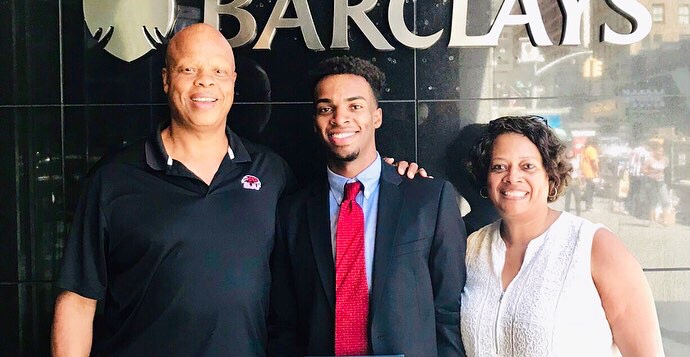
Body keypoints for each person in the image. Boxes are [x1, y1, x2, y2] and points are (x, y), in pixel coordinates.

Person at [51, 25, 423, 356]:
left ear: (232, 82)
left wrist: (388, 180)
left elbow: (326, 239)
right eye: (188, 69)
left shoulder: (272, 173)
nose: (204, 82)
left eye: (217, 71)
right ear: (166, 79)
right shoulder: (114, 178)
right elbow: (78, 302)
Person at [269, 56, 467, 356]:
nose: (339, 118)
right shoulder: (292, 213)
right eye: (326, 108)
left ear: (376, 117)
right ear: (316, 122)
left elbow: (449, 312)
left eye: (355, 106)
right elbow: (285, 321)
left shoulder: (429, 199)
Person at [460, 115, 663, 356]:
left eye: (527, 166)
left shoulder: (593, 246)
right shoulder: (472, 248)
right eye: (499, 166)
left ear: (550, 175)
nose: (512, 177)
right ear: (487, 178)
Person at [643, 140, 672, 225]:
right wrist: (651, 173)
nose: (660, 153)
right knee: (653, 201)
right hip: (652, 182)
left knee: (665, 200)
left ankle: (665, 220)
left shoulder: (664, 160)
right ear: (655, 152)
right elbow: (643, 170)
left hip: (661, 182)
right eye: (659, 151)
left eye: (662, 152)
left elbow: (666, 169)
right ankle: (651, 220)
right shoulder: (650, 160)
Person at [580, 137, 599, 211]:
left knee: (588, 189)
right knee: (590, 190)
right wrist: (597, 170)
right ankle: (589, 206)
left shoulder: (585, 149)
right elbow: (593, 161)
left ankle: (588, 205)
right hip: (591, 172)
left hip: (585, 172)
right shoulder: (592, 150)